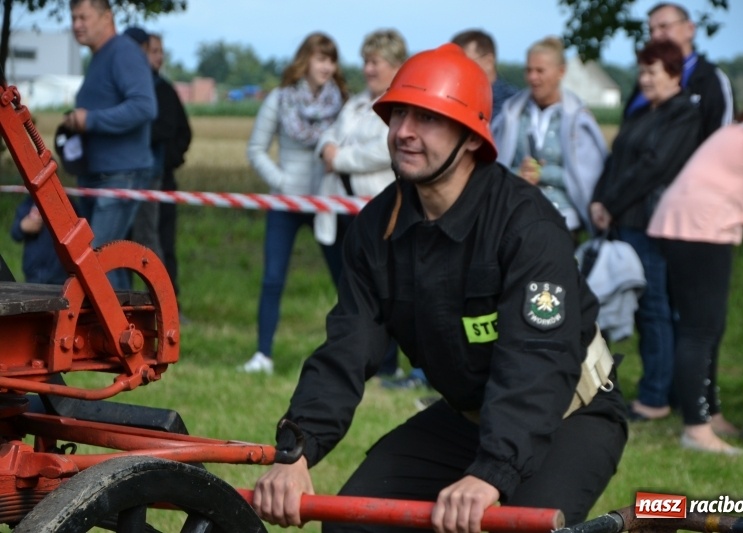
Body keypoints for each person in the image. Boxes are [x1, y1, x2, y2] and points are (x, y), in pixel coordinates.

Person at [251, 43, 627, 531]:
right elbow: (347, 347)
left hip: (568, 413)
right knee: (352, 522)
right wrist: (296, 450)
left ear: (471, 138)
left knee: (513, 528)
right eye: (398, 113)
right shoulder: (375, 228)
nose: (403, 131)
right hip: (467, 418)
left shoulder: (527, 225)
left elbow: (537, 361)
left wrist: (491, 474)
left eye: (427, 118)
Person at [648, 85, 743, 454]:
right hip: (700, 230)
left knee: (708, 327)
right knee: (700, 330)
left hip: (685, 227)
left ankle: (710, 414)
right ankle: (696, 431)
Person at [590, 40, 701, 422]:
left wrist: (612, 203)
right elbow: (615, 160)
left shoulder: (683, 114)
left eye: (653, 71)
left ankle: (655, 398)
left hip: (652, 227)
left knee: (655, 310)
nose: (645, 78)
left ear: (674, 74)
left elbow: (654, 167)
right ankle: (622, 384)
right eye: (642, 71)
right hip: (622, 223)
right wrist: (598, 201)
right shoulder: (641, 113)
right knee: (628, 309)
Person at [240, 32, 347, 375]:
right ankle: (263, 356)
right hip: (285, 203)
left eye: (331, 60)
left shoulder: (342, 102)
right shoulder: (280, 99)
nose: (327, 66)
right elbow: (255, 149)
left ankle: (352, 354)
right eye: (321, 59)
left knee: (346, 280)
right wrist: (282, 182)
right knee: (273, 279)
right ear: (305, 61)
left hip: (327, 202)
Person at [314, 29, 407, 379]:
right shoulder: (352, 104)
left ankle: (387, 366)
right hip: (337, 210)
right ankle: (352, 360)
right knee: (347, 291)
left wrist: (337, 158)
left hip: (376, 211)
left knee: (383, 290)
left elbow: (384, 150)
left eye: (375, 62)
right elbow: (329, 134)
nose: (367, 69)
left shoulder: (400, 106)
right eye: (365, 62)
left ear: (396, 66)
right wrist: (327, 148)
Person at [63, 0, 157, 290]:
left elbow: (144, 107)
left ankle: (121, 332)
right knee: (97, 264)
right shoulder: (100, 56)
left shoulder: (123, 52)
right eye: (73, 17)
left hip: (120, 175)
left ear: (107, 17)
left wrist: (90, 120)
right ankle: (113, 331)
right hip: (97, 176)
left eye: (84, 17)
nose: (77, 24)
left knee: (98, 265)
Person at [492, 36, 607, 235]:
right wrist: (519, 174)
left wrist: (543, 173)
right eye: (528, 70)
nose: (533, 78)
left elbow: (587, 178)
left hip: (564, 222)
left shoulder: (577, 120)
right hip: (516, 217)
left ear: (560, 72)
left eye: (540, 71)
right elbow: (495, 167)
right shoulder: (511, 114)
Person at [625, 2, 734, 142]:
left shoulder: (710, 79)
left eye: (664, 27)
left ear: (690, 29)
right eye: (651, 30)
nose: (656, 35)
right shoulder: (646, 81)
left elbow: (722, 139)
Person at [147, 31, 193, 317]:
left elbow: (183, 133)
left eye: (161, 50)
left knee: (164, 243)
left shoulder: (164, 90)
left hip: (162, 180)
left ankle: (169, 307)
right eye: (153, 50)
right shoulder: (135, 89)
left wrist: (169, 161)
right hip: (136, 181)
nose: (159, 56)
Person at [124, 26, 164, 264]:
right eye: (152, 50)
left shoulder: (158, 87)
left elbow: (171, 130)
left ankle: (162, 297)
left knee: (145, 236)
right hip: (129, 170)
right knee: (123, 240)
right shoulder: (134, 81)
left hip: (147, 171)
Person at [450, 29, 517, 120]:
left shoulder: (514, 105)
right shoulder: (452, 99)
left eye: (465, 62)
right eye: (454, 64)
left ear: (489, 62)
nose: (458, 70)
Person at [11, 196, 70, 285]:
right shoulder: (28, 203)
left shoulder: (67, 204)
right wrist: (23, 227)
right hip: (33, 276)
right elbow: (15, 234)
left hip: (59, 278)